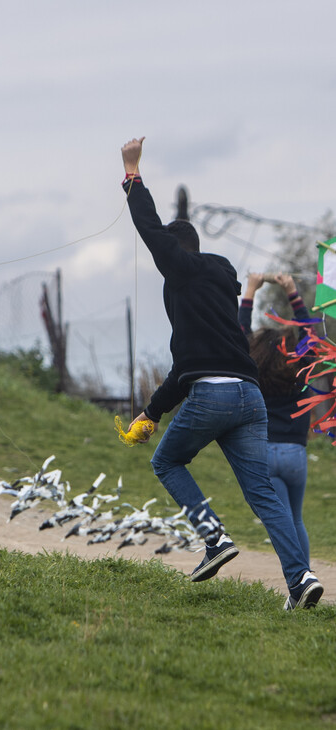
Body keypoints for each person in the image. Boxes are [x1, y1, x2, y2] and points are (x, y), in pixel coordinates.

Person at [121, 136, 322, 610]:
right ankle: (301, 580)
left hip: (213, 397)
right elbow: (186, 366)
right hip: (249, 400)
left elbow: (151, 229)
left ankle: (214, 540)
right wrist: (151, 412)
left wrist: (132, 173)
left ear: (175, 252)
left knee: (166, 462)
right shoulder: (217, 284)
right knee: (264, 498)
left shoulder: (183, 272)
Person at [239, 272, 312, 563]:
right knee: (296, 520)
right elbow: (307, 332)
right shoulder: (299, 365)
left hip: (264, 452)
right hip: (296, 454)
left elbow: (239, 333)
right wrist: (292, 290)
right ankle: (306, 579)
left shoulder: (251, 366)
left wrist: (250, 291)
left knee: (282, 525)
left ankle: (300, 583)